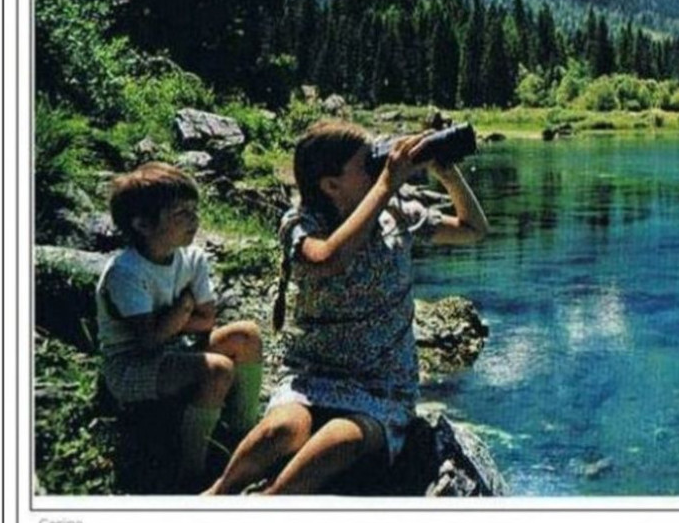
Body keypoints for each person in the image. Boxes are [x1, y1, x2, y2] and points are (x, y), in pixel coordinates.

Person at [206, 119, 488, 495]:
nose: (378, 169)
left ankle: (270, 500)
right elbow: (328, 259)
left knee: (341, 439)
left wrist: (447, 174)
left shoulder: (397, 213)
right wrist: (387, 182)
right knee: (280, 430)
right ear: (331, 185)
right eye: (367, 164)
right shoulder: (300, 223)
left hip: (382, 386)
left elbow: (473, 229)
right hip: (313, 375)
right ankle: (219, 492)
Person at [96, 162, 263, 489]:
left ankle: (242, 431)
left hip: (174, 348)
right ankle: (193, 468)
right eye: (180, 214)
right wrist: (185, 306)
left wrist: (171, 322)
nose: (194, 220)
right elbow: (147, 341)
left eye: (193, 210)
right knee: (216, 370)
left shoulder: (191, 257)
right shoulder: (126, 272)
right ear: (143, 224)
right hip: (131, 365)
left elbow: (208, 319)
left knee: (247, 335)